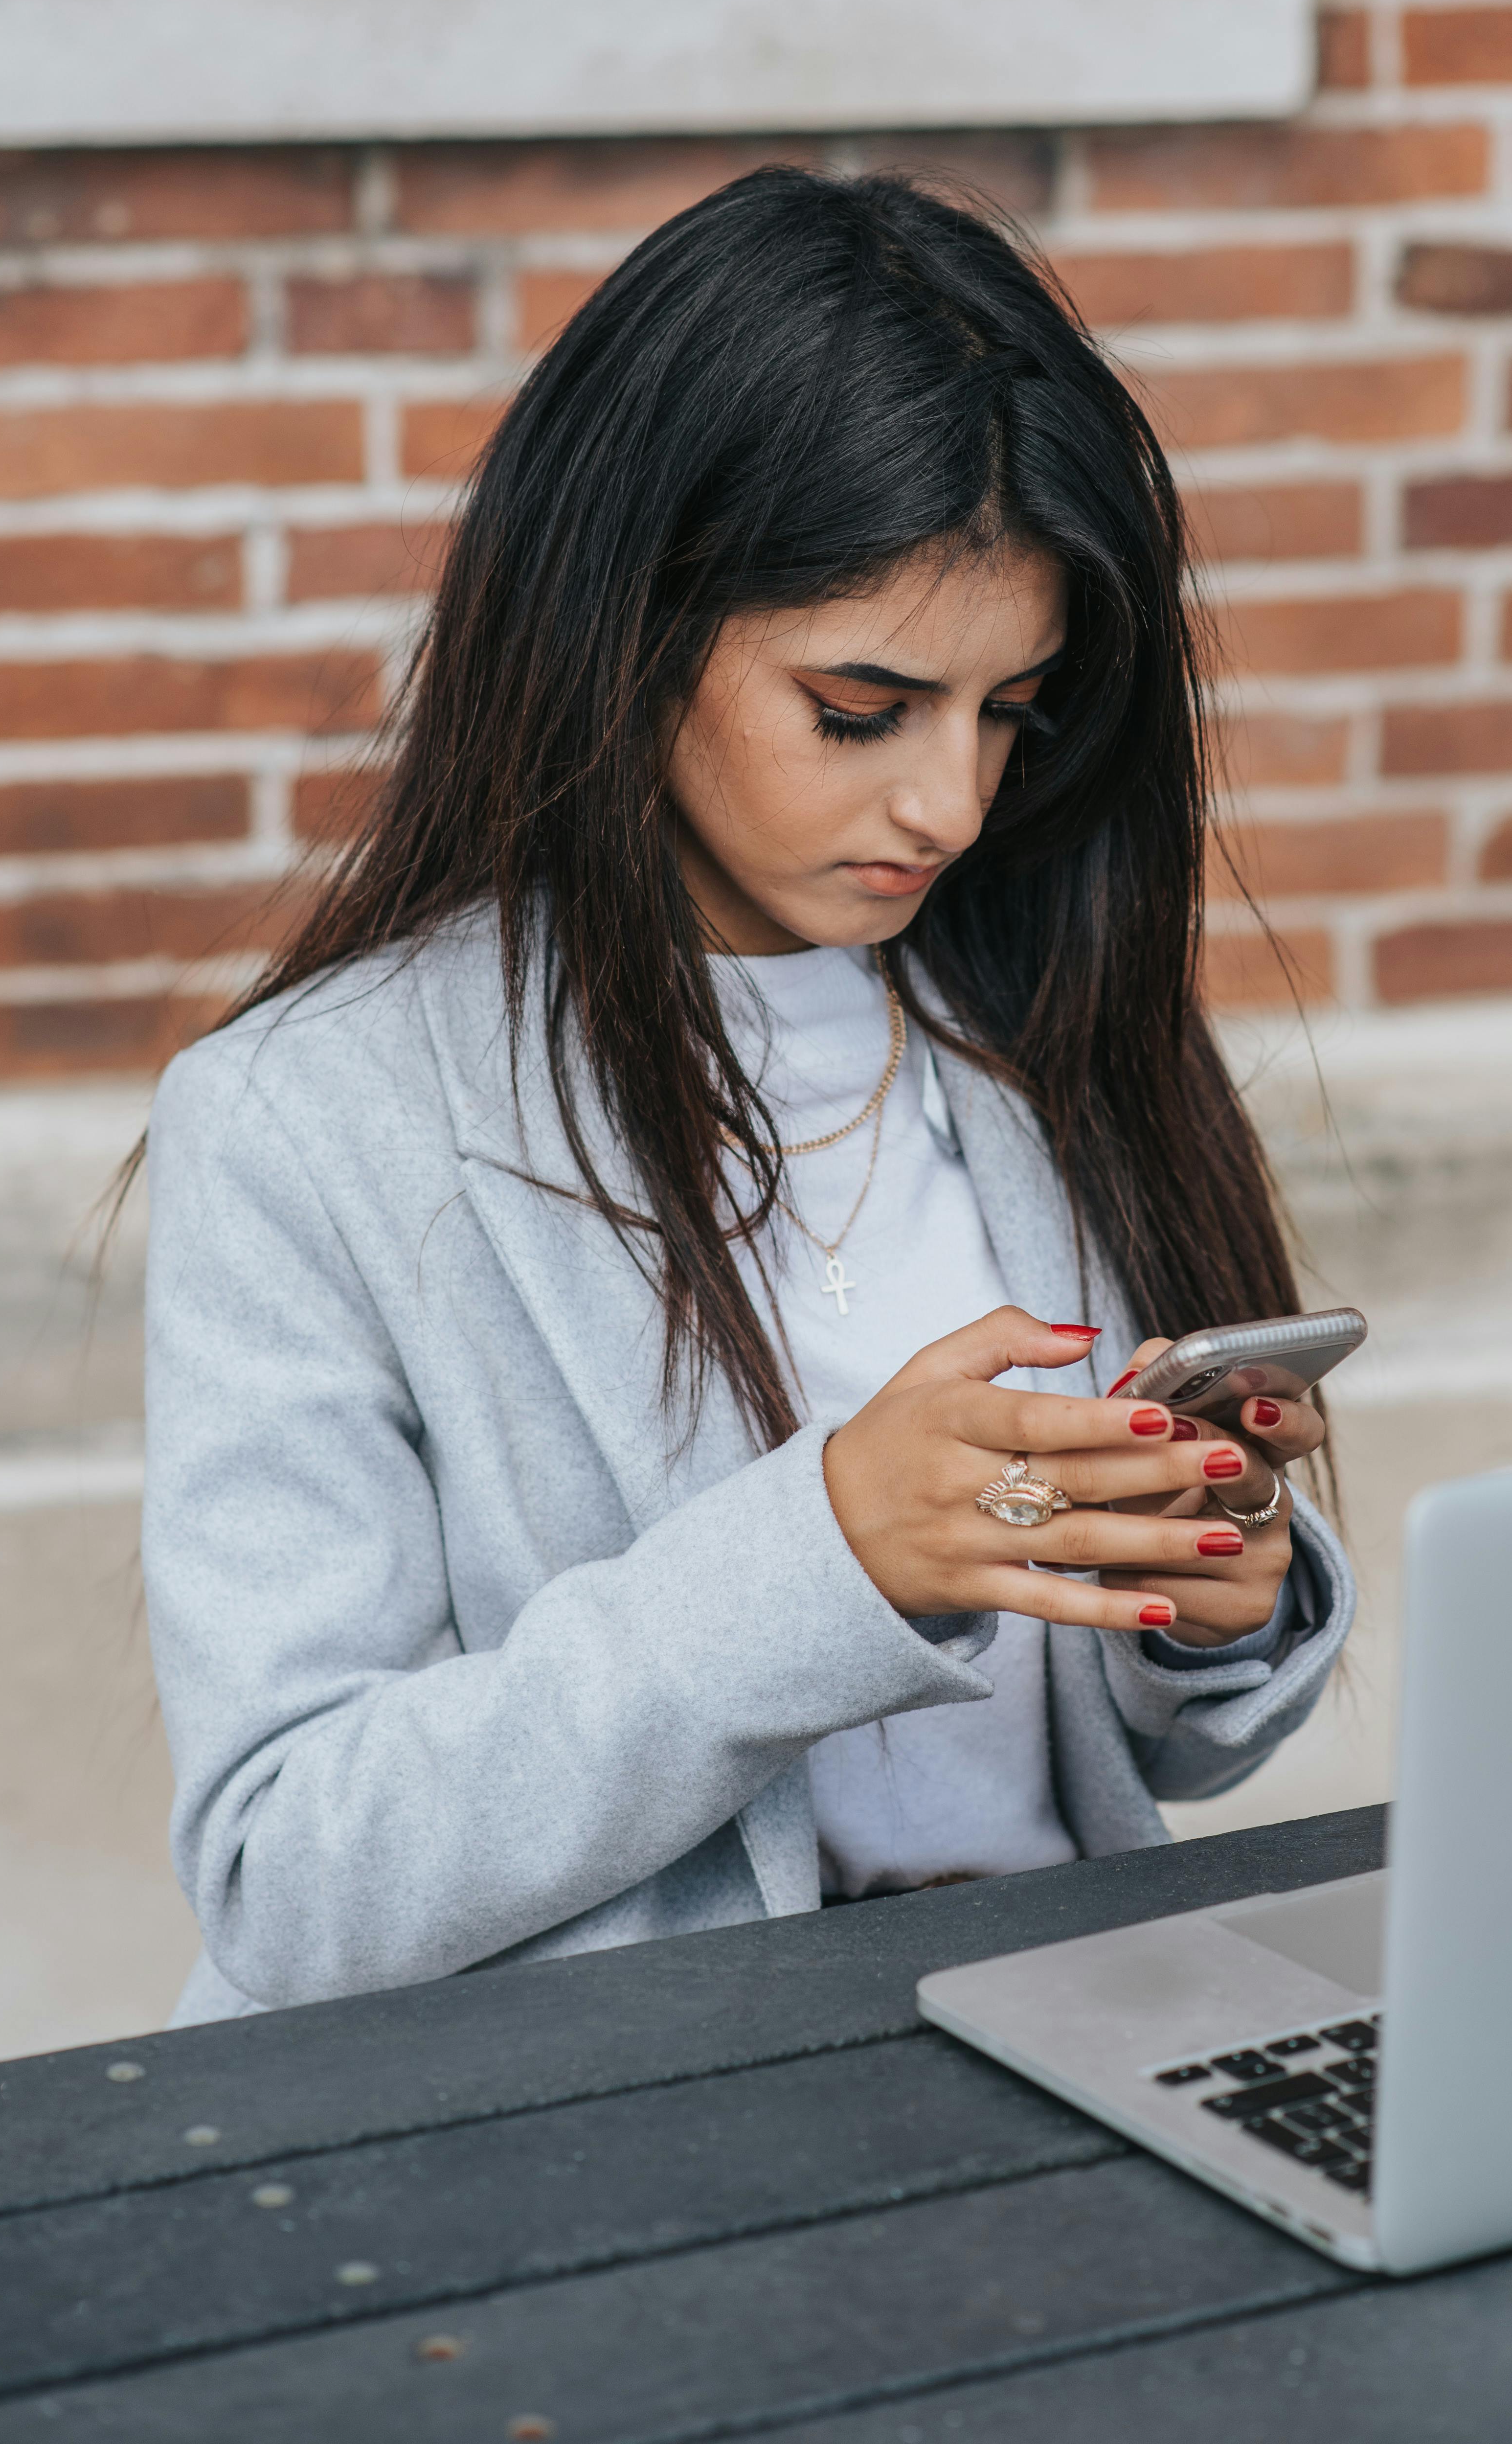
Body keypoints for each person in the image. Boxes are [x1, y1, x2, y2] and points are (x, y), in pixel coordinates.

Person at [142, 167, 1354, 2024]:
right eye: (862, 710)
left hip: (1074, 2041)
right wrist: (824, 1561)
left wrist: (1219, 1590)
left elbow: (1166, 1769)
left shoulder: (1042, 1012)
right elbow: (288, 1876)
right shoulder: (316, 1122)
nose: (952, 804)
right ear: (626, 626)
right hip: (615, 2136)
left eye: (1013, 709)